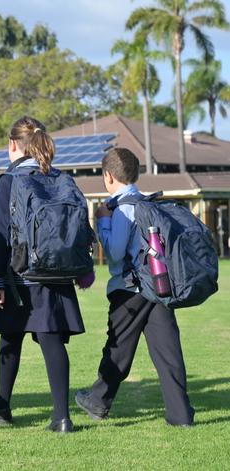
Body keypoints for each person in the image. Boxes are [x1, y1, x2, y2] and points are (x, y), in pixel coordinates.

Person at [0, 116, 86, 433]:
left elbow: (0, 236)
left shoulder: (9, 181)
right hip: (58, 274)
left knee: (11, 337)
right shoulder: (61, 178)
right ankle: (62, 417)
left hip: (20, 275)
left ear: (13, 145)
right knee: (52, 342)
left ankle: (2, 404)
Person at [75, 148, 194, 426]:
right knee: (168, 352)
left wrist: (103, 221)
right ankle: (181, 414)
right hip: (158, 285)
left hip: (129, 289)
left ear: (108, 176)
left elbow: (116, 252)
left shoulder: (122, 207)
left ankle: (97, 400)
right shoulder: (147, 201)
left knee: (118, 349)